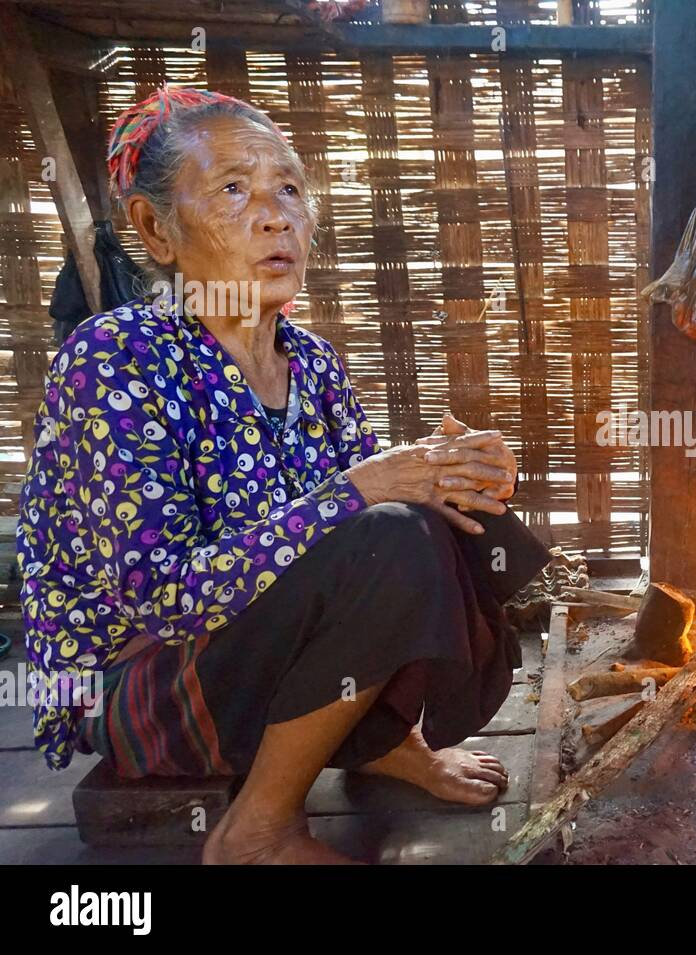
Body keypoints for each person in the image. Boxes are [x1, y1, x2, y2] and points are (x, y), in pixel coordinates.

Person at [16, 86, 547, 864]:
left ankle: (382, 741)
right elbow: (167, 599)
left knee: (443, 519)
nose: (276, 216)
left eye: (290, 188)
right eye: (234, 189)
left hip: (253, 641)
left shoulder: (313, 361)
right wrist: (371, 486)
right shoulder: (114, 358)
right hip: (145, 680)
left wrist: (454, 474)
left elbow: (355, 519)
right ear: (155, 229)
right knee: (393, 537)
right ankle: (256, 830)